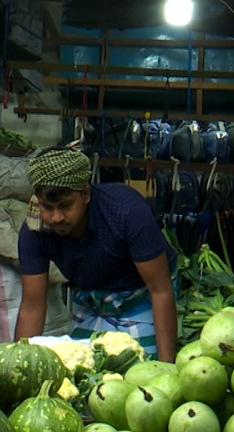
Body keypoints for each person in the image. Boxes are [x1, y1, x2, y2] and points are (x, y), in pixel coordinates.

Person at [14, 148, 177, 362]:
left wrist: (167, 367)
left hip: (141, 293)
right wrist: (19, 364)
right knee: (84, 370)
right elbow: (32, 305)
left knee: (143, 367)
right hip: (91, 298)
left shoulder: (126, 212)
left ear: (86, 194)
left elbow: (160, 291)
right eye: (48, 207)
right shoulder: (34, 231)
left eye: (65, 206)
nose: (56, 217)